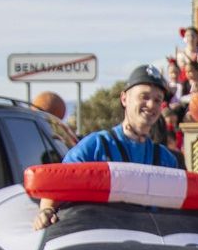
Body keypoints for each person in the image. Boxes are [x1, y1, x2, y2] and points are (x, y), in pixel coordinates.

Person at [35, 65, 182, 229]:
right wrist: (46, 211)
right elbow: (57, 187)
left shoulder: (166, 159)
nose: (151, 105)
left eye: (157, 100)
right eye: (144, 96)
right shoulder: (96, 146)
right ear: (124, 98)